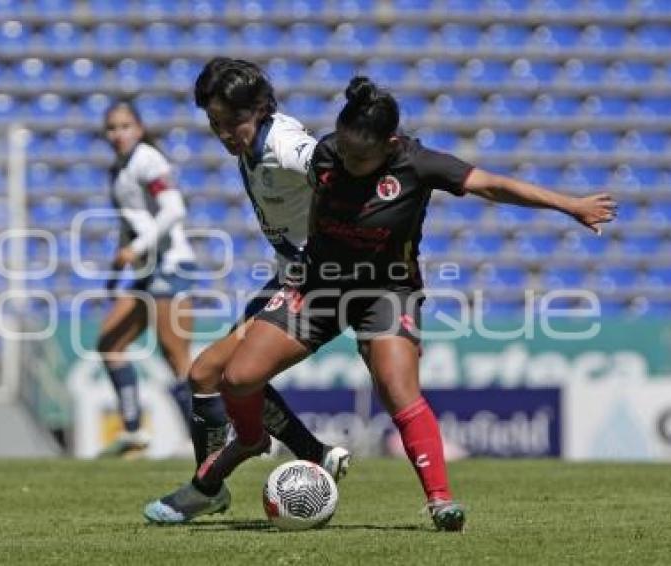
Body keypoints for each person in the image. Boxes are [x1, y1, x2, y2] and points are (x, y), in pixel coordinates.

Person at [192, 77, 618, 531]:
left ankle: (440, 501)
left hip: (386, 292)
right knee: (238, 377)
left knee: (398, 389)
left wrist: (569, 205)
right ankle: (252, 440)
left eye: (361, 157)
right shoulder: (327, 154)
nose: (349, 162)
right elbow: (312, 200)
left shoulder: (419, 164)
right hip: (320, 286)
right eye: (344, 152)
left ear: (390, 144)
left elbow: (492, 185)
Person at [143, 58, 351, 523]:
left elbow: (328, 164)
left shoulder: (281, 143)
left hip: (318, 280)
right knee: (203, 376)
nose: (224, 132)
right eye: (215, 123)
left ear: (259, 108)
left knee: (227, 374)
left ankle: (210, 485)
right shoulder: (250, 146)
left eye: (233, 121)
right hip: (290, 274)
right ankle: (306, 455)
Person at [96, 99, 198, 458]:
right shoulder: (118, 171)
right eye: (112, 128)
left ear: (138, 129)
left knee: (176, 358)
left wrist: (136, 248)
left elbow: (174, 210)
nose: (118, 134)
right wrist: (118, 268)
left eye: (125, 126)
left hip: (170, 265)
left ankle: (203, 440)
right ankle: (135, 432)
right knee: (110, 344)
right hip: (144, 270)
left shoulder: (148, 160)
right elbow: (131, 223)